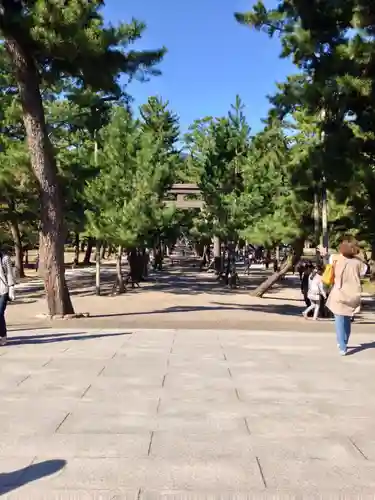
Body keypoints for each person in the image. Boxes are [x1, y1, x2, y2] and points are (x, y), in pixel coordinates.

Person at [326, 239, 367, 356]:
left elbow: (329, 261)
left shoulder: (335, 258)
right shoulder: (359, 263)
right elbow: (364, 272)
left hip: (339, 292)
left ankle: (342, 346)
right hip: (353, 293)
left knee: (339, 319)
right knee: (347, 318)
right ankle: (345, 340)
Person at [0, 250, 15, 346]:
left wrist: (11, 289)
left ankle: (3, 335)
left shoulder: (5, 258)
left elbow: (9, 273)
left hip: (3, 289)